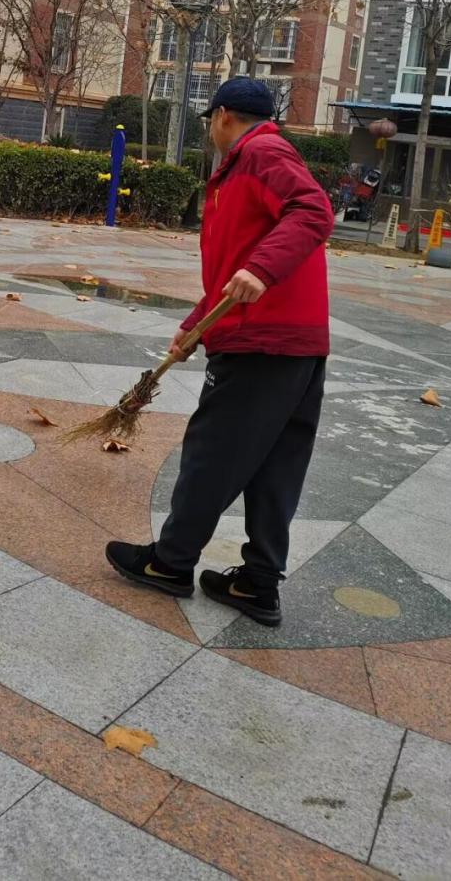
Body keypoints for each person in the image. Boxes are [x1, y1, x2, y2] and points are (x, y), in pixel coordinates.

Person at [106, 77, 334, 626]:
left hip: (261, 340)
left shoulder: (260, 153)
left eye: (211, 121)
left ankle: (170, 561)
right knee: (277, 464)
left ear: (223, 116)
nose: (212, 130)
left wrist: (262, 270)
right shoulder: (248, 165)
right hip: (295, 341)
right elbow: (236, 269)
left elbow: (313, 210)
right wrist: (194, 327)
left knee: (212, 452)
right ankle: (258, 583)